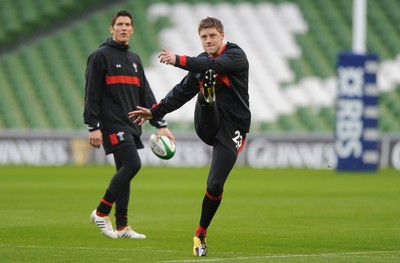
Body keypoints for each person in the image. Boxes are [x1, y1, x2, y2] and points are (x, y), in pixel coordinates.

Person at [129, 17, 250, 256]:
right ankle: (208, 95)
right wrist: (154, 111)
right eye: (204, 37)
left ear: (222, 35)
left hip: (233, 127)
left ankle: (200, 233)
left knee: (215, 185)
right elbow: (180, 93)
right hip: (207, 122)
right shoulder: (201, 62)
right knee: (204, 77)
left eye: (212, 36)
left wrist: (177, 60)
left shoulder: (236, 55)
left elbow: (216, 66)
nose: (208, 41)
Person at [83, 10, 174, 239]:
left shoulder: (134, 60)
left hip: (132, 124)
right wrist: (92, 126)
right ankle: (101, 212)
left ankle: (122, 226)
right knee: (133, 165)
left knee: (124, 170)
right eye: (119, 24)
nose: (123, 28)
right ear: (111, 29)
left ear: (132, 30)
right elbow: (91, 93)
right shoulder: (99, 56)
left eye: (127, 25)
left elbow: (146, 93)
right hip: (112, 124)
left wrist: (160, 123)